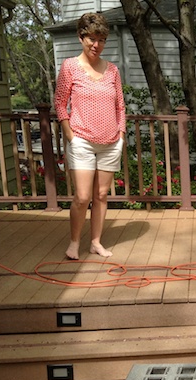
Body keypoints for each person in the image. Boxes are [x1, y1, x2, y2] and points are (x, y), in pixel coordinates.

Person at [54, 12, 126, 260]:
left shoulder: (113, 70)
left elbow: (120, 106)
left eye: (102, 39)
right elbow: (60, 103)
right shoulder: (70, 67)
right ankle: (74, 242)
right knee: (83, 197)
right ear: (81, 37)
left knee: (101, 195)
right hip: (82, 140)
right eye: (92, 39)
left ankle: (95, 242)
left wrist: (121, 134)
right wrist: (70, 136)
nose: (97, 45)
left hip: (110, 142)